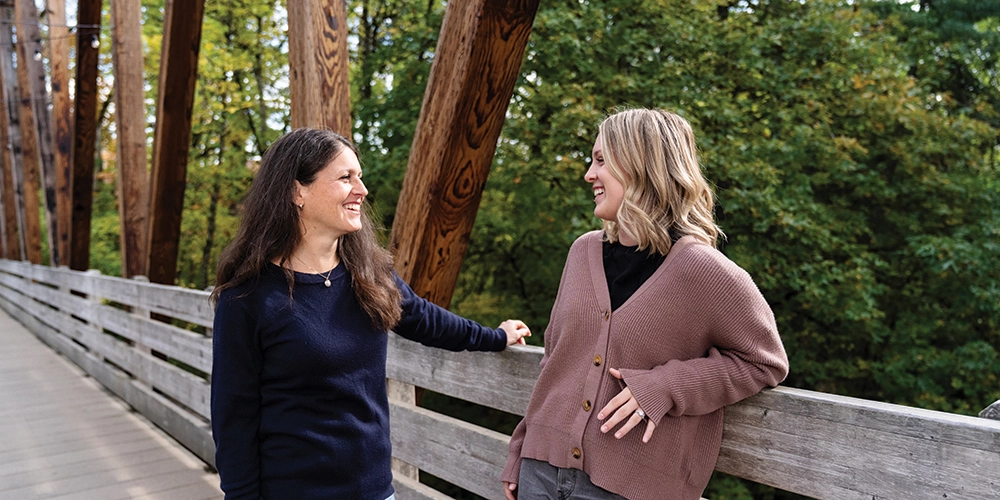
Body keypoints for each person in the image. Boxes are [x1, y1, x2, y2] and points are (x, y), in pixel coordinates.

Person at [210, 127, 531, 500]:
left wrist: (496, 336)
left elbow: (426, 319)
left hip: (375, 491)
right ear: (298, 191)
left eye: (359, 177)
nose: (361, 190)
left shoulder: (367, 273)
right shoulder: (248, 298)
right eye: (345, 177)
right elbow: (233, 415)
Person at [501, 108, 789, 500]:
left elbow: (764, 361)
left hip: (627, 488)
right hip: (540, 471)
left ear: (642, 166)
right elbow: (554, 363)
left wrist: (664, 386)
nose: (589, 174)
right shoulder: (582, 252)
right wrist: (520, 448)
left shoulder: (703, 271)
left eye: (601, 161)